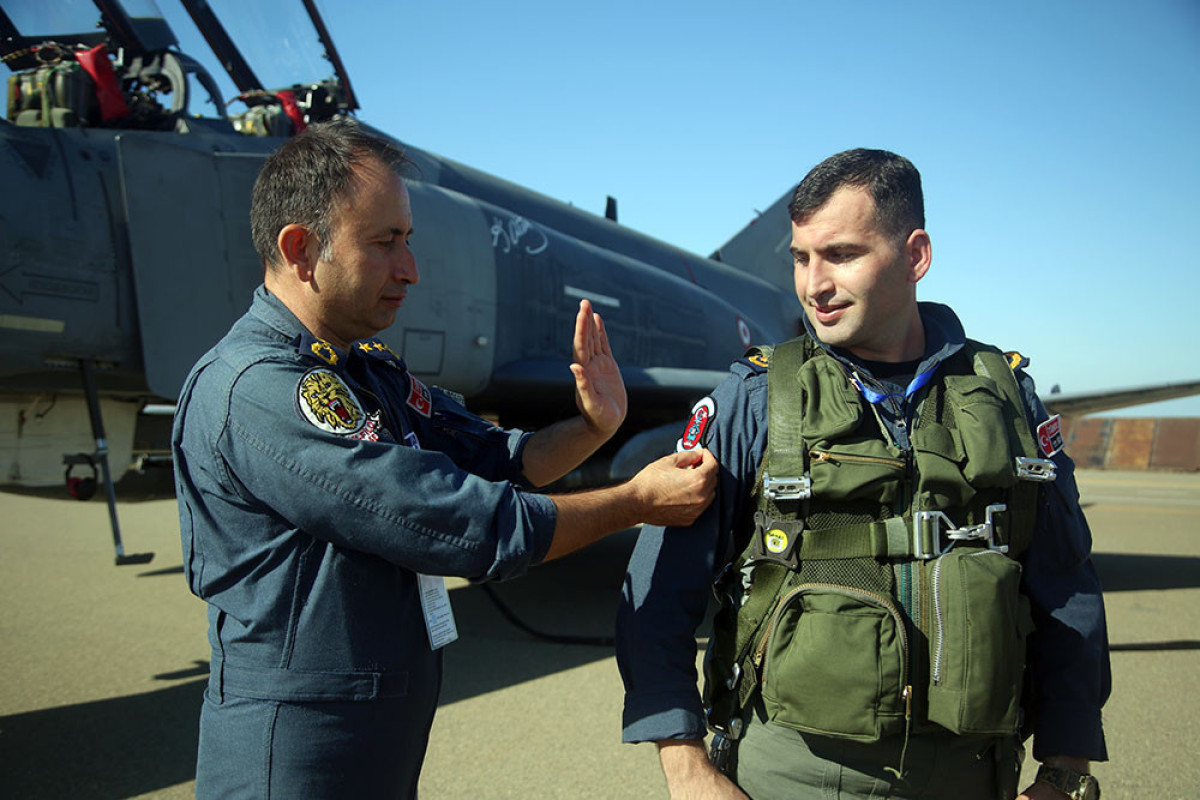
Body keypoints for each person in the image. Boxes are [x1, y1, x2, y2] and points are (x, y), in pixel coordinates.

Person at [171, 117, 716, 799]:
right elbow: (466, 524)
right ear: (301, 249)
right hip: (296, 755)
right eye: (385, 242)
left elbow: (497, 460)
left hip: (372, 744)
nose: (412, 269)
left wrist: (590, 425)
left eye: (409, 240)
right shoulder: (260, 389)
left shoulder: (365, 373)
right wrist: (635, 502)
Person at [616, 149, 1109, 800]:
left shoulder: (1008, 400)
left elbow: (1066, 591)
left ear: (915, 255)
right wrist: (686, 767)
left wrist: (1066, 771)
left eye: (840, 254)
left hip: (974, 776)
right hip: (789, 777)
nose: (813, 283)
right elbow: (655, 592)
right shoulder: (758, 400)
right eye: (800, 257)